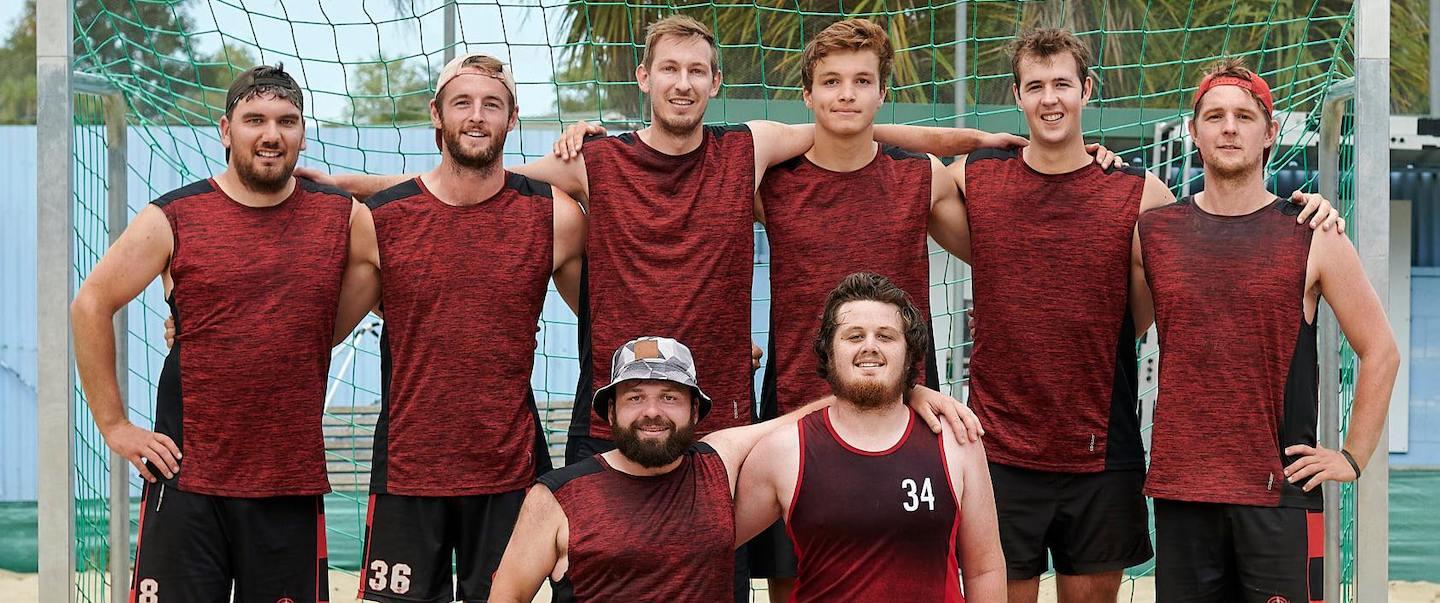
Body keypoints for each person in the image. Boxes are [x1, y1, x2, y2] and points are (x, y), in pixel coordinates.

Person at [923, 29, 1345, 603]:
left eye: (1063, 85)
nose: (1050, 99)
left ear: (1086, 91)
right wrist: (972, 138)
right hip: (1000, 451)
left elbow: (1185, 285)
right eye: (1036, 87)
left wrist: (1310, 209)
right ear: (1017, 96)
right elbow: (869, 149)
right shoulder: (978, 177)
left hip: (1104, 452)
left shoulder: (1140, 193)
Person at [71, 64, 360, 602]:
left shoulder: (341, 217)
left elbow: (389, 273)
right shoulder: (175, 216)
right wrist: (114, 425)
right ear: (226, 131)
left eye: (286, 121)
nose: (271, 134)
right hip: (185, 482)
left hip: (287, 485)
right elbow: (90, 304)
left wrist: (300, 332)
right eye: (255, 120)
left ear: (301, 131)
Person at [1137, 58, 1399, 603]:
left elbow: (1381, 351)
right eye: (1214, 116)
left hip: (1280, 498)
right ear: (1194, 131)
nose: (1228, 127)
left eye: (1243, 116)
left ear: (1270, 132)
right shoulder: (1155, 232)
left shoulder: (1313, 233)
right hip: (1183, 494)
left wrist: (1351, 457)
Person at [329, 53, 587, 603]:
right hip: (408, 471)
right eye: (462, 103)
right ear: (436, 114)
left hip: (508, 470)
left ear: (512, 117)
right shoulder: (382, 220)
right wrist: (204, 324)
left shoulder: (554, 216)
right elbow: (319, 329)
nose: (476, 116)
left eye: (491, 105)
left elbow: (609, 317)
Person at [488, 333, 981, 603]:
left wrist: (907, 391)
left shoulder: (716, 464)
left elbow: (815, 411)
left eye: (670, 397)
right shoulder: (557, 496)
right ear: (610, 412)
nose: (652, 411)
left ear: (697, 412)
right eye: (634, 397)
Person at [735, 272, 1006, 602]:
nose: (870, 347)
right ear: (828, 352)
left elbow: (985, 568)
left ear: (909, 354)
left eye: (886, 336)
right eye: (854, 336)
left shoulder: (956, 440)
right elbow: (709, 543)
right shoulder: (785, 449)